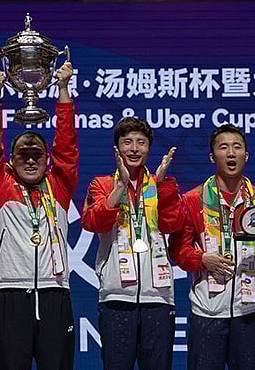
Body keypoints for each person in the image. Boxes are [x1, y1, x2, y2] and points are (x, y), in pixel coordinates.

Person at [0, 62, 77, 370]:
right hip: (10, 293)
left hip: (54, 292)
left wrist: (62, 90)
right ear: (11, 160)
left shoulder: (58, 185)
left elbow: (67, 146)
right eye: (23, 154)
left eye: (38, 155)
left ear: (48, 160)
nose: (31, 160)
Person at [168, 124, 255, 370]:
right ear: (211, 156)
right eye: (223, 147)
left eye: (237, 147)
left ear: (246, 155)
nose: (230, 153)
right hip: (207, 311)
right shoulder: (194, 200)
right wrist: (203, 259)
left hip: (249, 310)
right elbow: (179, 252)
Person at [81, 118, 180, 370]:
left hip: (158, 297)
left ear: (149, 148)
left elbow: (173, 224)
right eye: (127, 142)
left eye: (141, 142)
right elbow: (92, 222)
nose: (134, 149)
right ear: (117, 148)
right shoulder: (101, 184)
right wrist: (121, 187)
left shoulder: (162, 184)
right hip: (116, 296)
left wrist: (163, 184)